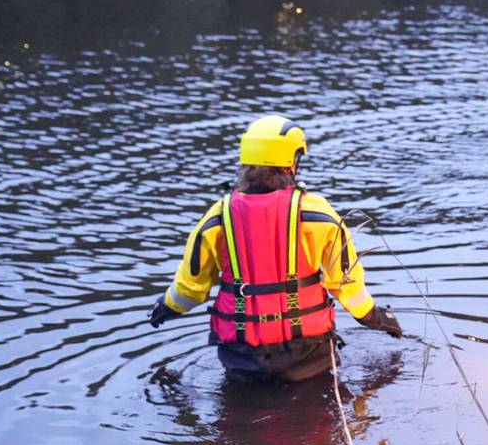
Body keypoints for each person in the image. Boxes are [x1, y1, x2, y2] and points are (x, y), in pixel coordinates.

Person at [147, 115, 402, 380]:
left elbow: (190, 288)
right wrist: (377, 317)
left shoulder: (217, 217)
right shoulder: (319, 214)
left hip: (241, 357)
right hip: (308, 354)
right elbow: (346, 284)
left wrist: (165, 307)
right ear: (292, 162)